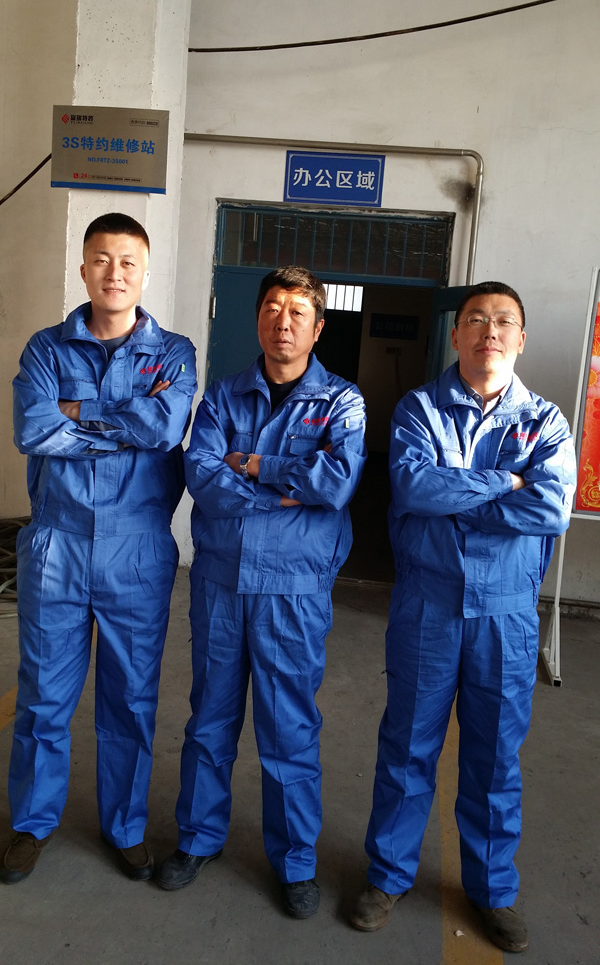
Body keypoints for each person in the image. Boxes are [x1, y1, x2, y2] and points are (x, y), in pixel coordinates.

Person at [349, 282, 576, 953]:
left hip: (506, 614)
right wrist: (507, 482)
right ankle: (388, 876)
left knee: (495, 756)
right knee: (407, 747)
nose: (489, 331)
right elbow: (415, 486)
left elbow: (551, 508)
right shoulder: (420, 408)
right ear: (456, 334)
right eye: (476, 319)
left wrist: (460, 496)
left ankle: (492, 889)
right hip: (429, 605)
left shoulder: (546, 421)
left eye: (503, 321)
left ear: (521, 338)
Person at [157, 266, 367, 919]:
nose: (283, 321)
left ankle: (295, 861)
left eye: (298, 311)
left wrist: (252, 464)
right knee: (210, 718)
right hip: (222, 582)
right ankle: (198, 837)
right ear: (257, 319)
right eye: (272, 307)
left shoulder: (342, 402)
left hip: (293, 589)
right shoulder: (223, 397)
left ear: (318, 327)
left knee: (289, 727)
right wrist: (283, 492)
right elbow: (201, 473)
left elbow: (335, 482)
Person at [1, 213, 197, 886]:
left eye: (128, 262)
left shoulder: (174, 353)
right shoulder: (46, 349)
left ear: (144, 272)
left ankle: (125, 826)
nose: (115, 273)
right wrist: (123, 423)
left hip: (136, 550)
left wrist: (76, 415)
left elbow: (164, 428)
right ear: (83, 268)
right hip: (56, 544)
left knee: (130, 699)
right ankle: (31, 822)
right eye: (102, 260)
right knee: (42, 697)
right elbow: (33, 428)